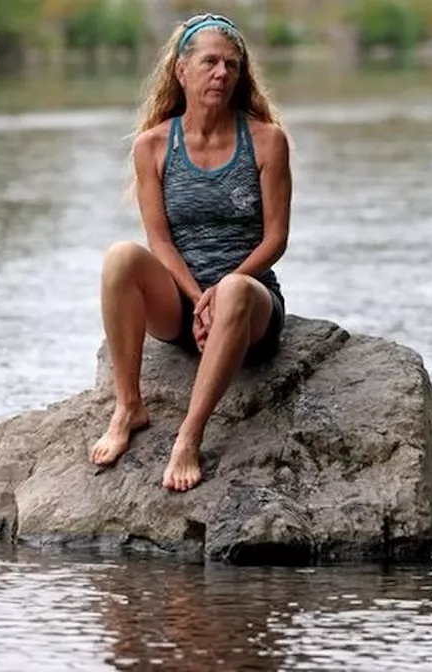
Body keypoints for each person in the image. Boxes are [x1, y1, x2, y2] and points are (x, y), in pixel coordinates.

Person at [89, 13, 293, 493]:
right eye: (210, 63)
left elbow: (276, 240)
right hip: (182, 306)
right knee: (121, 256)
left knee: (239, 291)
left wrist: (221, 293)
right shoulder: (153, 146)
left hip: (249, 308)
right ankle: (128, 406)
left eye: (232, 65)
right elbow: (159, 241)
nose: (222, 73)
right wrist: (198, 298)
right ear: (182, 71)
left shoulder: (267, 141)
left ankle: (188, 437)